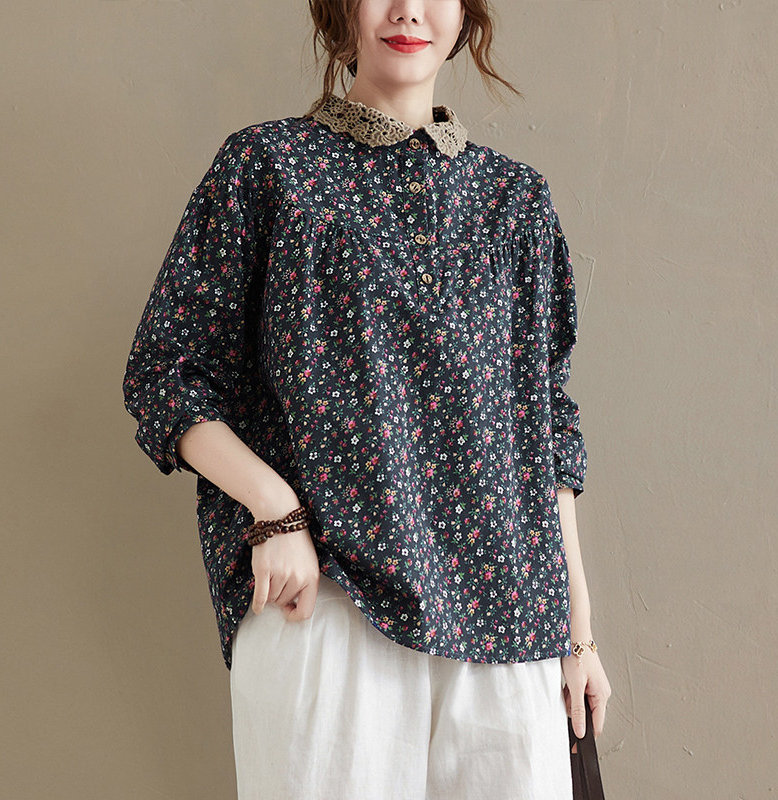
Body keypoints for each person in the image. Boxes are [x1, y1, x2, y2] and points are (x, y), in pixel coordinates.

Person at [122, 0, 612, 797]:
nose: (408, 10)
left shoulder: (515, 199)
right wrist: (273, 510)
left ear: (466, 14)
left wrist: (578, 636)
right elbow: (166, 371)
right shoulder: (268, 166)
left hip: (511, 616)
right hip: (330, 600)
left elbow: (547, 431)